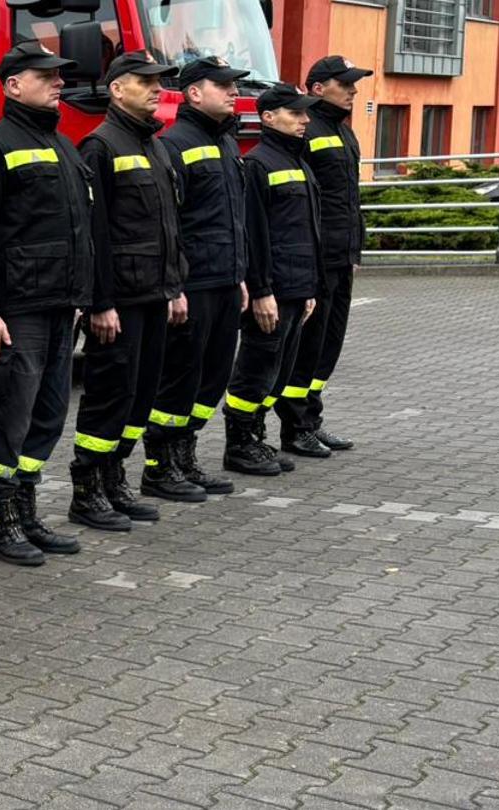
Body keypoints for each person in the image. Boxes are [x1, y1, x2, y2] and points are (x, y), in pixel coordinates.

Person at [0, 42, 95, 566]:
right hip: (17, 312)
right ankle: (2, 525)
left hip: (61, 307)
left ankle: (28, 511)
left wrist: (81, 297)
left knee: (48, 417)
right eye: (46, 76)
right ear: (13, 85)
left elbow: (78, 230)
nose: (59, 82)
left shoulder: (63, 144)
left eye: (58, 75)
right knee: (8, 419)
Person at [66, 51, 190, 533]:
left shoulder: (155, 146)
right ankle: (87, 492)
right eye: (145, 82)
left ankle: (116, 480)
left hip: (155, 294)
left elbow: (168, 227)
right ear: (117, 89)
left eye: (159, 82)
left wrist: (175, 287)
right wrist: (100, 303)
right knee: (108, 395)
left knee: (139, 397)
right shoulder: (100, 146)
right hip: (119, 300)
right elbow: (93, 235)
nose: (157, 89)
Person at [145, 56, 249, 500]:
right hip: (194, 285)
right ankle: (159, 465)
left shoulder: (226, 144)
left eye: (233, 85)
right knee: (179, 377)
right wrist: (175, 286)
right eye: (222, 85)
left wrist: (241, 276)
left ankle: (185, 455)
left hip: (226, 281)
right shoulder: (174, 144)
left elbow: (234, 219)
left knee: (212, 379)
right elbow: (169, 225)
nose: (232, 92)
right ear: (193, 93)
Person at [223, 83, 322, 476]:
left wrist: (309, 290)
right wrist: (262, 291)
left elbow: (304, 230)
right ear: (267, 117)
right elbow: (256, 235)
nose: (305, 120)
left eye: (305, 113)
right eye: (296, 113)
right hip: (275, 290)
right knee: (256, 368)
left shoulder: (297, 161)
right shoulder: (259, 164)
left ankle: (255, 438)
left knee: (278, 371)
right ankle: (239, 444)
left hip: (297, 288)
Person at [277, 55, 373, 457]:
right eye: (344, 83)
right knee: (309, 344)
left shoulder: (343, 131)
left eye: (354, 83)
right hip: (316, 259)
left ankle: (311, 419)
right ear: (317, 88)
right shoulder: (306, 129)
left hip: (341, 255)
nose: (353, 89)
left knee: (329, 345)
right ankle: (294, 426)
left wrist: (354, 247)